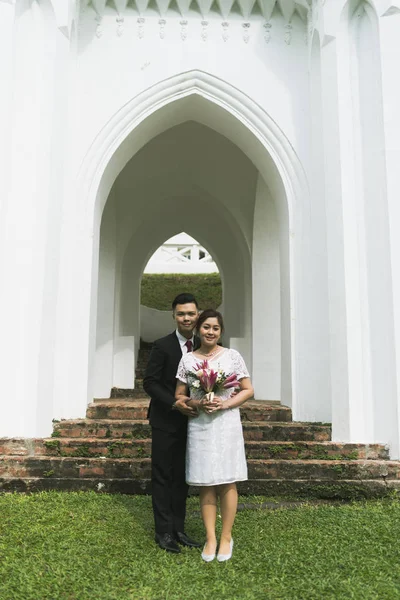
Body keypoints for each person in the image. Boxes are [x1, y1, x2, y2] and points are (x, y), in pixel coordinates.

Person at [175, 308, 254, 562]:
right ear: (198, 329)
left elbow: (247, 390)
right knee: (206, 481)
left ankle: (226, 537)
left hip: (226, 423)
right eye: (206, 327)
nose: (210, 332)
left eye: (215, 328)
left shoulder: (232, 356)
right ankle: (210, 537)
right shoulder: (188, 360)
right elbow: (180, 395)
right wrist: (197, 404)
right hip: (201, 425)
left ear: (221, 331)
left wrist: (226, 404)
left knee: (227, 480)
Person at [143, 293, 202, 553]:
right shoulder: (162, 345)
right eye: (181, 313)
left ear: (198, 314)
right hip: (166, 419)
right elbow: (150, 382)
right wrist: (174, 402)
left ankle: (179, 528)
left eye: (190, 313)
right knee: (164, 475)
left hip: (195, 422)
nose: (186, 318)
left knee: (182, 476)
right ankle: (163, 531)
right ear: (174, 316)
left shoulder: (205, 344)